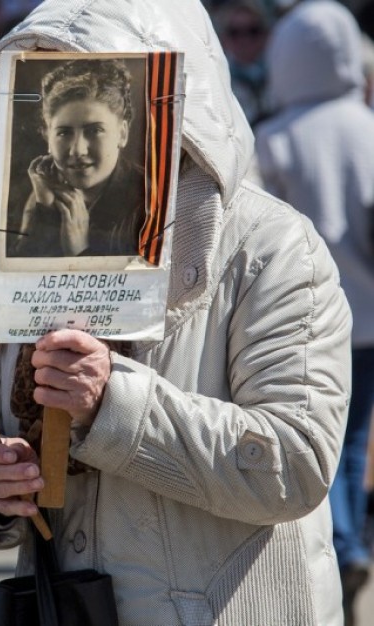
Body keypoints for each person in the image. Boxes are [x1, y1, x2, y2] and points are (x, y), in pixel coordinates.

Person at [0, 0, 352, 624]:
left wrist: (114, 403)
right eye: (57, 124)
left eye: (98, 118)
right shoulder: (26, 242)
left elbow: (295, 462)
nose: (75, 148)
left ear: (160, 112)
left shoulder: (271, 248)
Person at [254, 2, 374, 623]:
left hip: (301, 322)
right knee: (353, 443)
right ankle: (351, 546)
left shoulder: (274, 137)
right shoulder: (369, 128)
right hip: (371, 317)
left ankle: (343, 545)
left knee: (314, 443)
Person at [8, 58, 144, 258]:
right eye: (64, 133)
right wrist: (45, 211)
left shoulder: (149, 202)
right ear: (47, 136)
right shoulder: (38, 195)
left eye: (95, 130)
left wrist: (80, 252)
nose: (77, 150)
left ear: (122, 133)